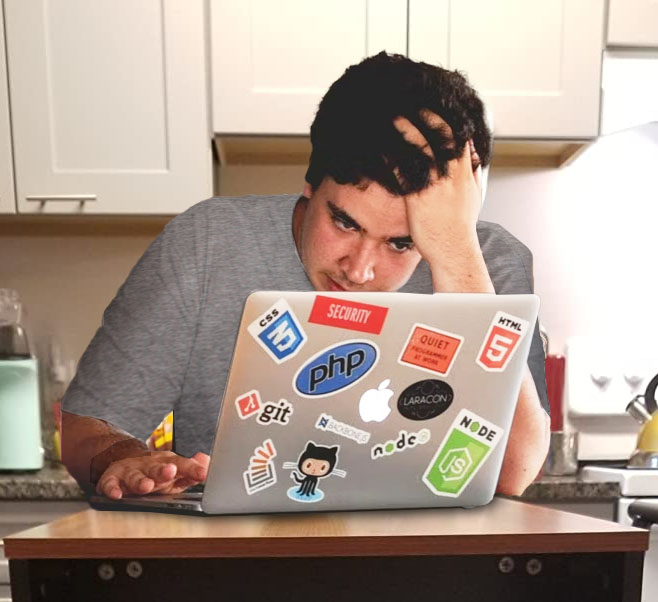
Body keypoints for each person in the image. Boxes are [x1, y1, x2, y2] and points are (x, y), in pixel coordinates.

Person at [62, 52, 550, 500]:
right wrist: (125, 459)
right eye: (344, 222)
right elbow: (86, 429)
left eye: (402, 243)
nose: (359, 270)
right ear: (310, 185)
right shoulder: (207, 244)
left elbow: (514, 474)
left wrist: (456, 252)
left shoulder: (487, 262)